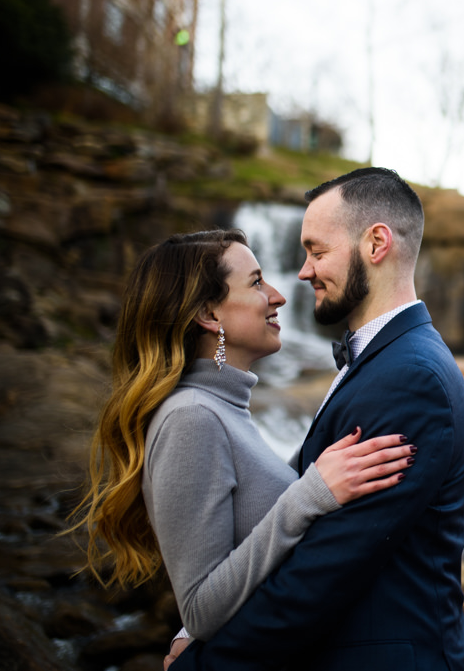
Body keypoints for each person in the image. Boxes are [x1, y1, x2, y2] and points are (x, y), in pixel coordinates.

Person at [171, 168, 464, 671]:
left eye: (317, 251)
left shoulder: (410, 378)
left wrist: (203, 664)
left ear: (376, 243)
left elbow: (326, 568)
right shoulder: (385, 360)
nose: (302, 273)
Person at [70, 230, 415, 646]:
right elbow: (199, 609)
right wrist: (309, 495)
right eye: (255, 283)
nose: (279, 296)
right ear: (209, 315)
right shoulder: (192, 417)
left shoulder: (222, 407)